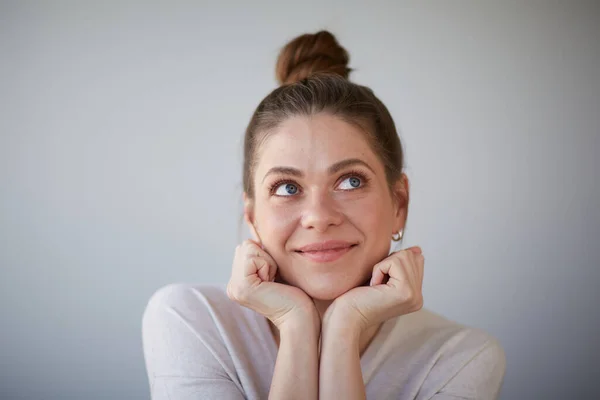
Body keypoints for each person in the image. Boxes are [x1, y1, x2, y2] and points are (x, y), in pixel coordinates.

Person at [142, 30, 506, 400]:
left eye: (349, 181)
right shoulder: (192, 320)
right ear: (251, 216)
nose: (318, 216)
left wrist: (345, 326)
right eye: (287, 187)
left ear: (399, 204)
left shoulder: (458, 360)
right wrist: (296, 323)